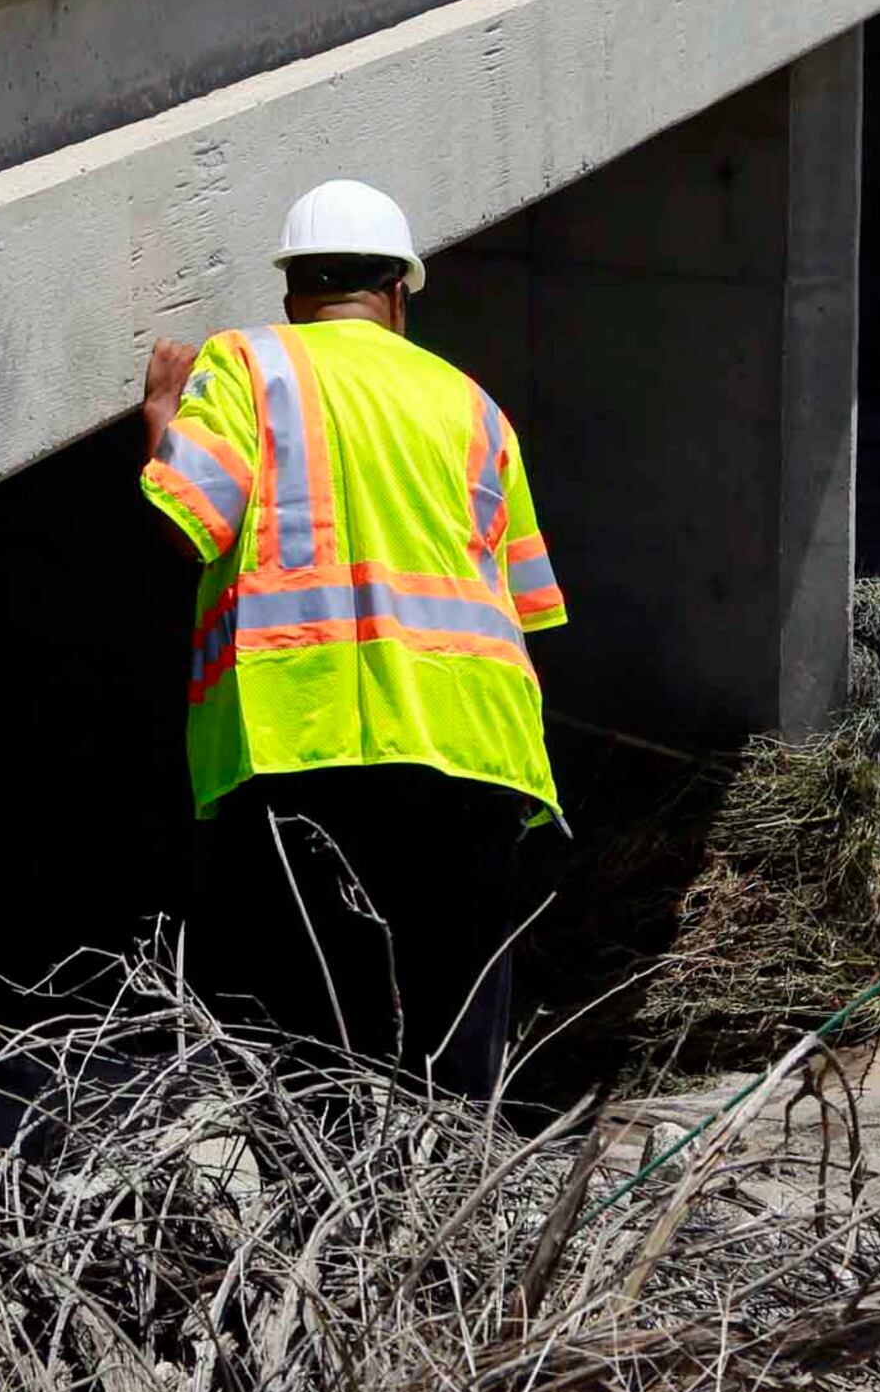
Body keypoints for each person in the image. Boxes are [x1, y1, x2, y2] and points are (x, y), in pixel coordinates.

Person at [137, 179, 569, 1097]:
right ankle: (456, 1233)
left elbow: (190, 521)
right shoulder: (476, 408)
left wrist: (162, 427)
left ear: (293, 294)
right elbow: (528, 604)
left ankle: (336, 1237)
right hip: (479, 758)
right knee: (455, 1058)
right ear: (400, 295)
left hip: (306, 745)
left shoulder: (251, 366)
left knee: (320, 1049)